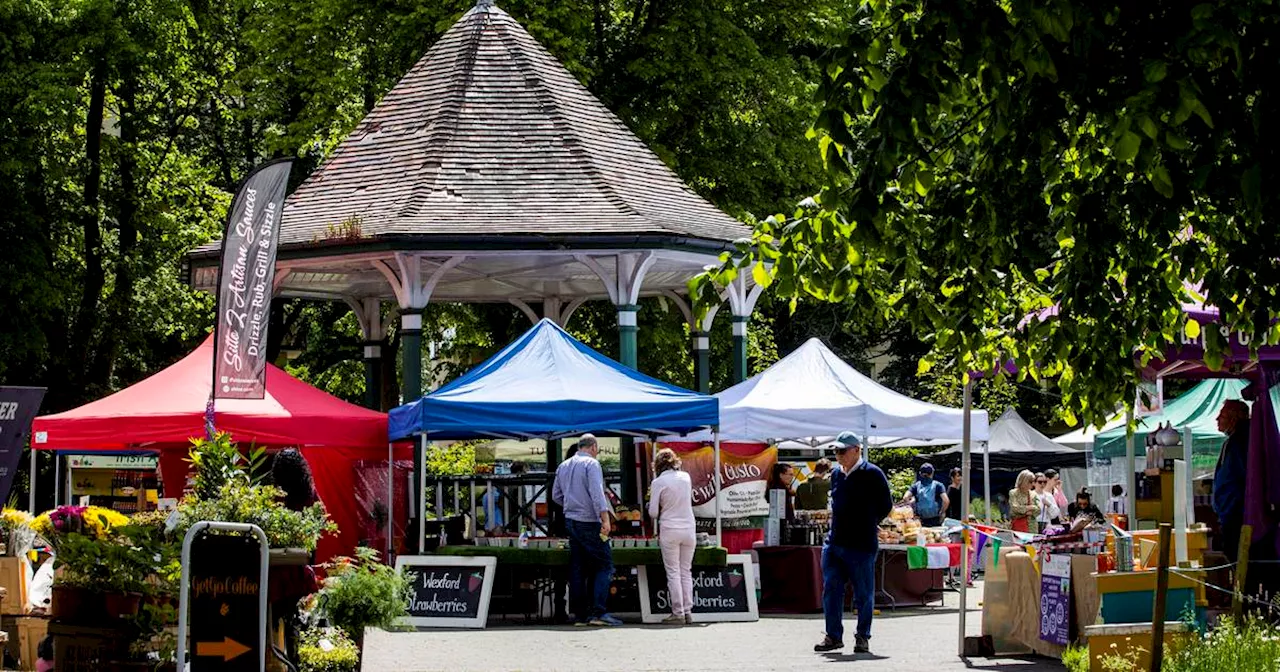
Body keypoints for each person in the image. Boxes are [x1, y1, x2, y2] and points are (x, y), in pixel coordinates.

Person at [814, 432, 892, 655]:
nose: (838, 455)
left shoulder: (873, 473)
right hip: (835, 540)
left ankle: (862, 636)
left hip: (861, 543)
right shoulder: (836, 474)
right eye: (836, 451)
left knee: (863, 593)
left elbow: (886, 504)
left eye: (842, 451)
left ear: (857, 450)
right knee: (831, 588)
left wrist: (869, 522)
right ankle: (833, 636)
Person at [551, 434, 621, 626]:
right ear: (593, 447)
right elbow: (597, 493)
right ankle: (598, 612)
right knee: (604, 564)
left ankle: (580, 615)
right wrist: (605, 519)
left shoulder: (563, 466)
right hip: (589, 521)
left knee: (578, 567)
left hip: (571, 520)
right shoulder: (592, 464)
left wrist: (571, 504)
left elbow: (556, 495)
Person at [269, 449, 321, 662]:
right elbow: (319, 523)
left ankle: (276, 660)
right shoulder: (309, 492)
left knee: (273, 620)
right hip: (299, 572)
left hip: (276, 570)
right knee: (297, 621)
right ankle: (295, 661)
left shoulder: (275, 495)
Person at [647, 448, 696, 625]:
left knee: (673, 572)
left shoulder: (658, 482)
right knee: (686, 571)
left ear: (658, 465)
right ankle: (688, 611)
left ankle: (678, 612)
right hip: (689, 528)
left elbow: (653, 513)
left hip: (669, 528)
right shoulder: (686, 478)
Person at [1214, 399, 1250, 561]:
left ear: (1233, 418)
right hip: (1231, 512)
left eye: (1221, 416)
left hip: (1235, 513)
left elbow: (1241, 477)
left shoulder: (1239, 442)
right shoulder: (1235, 441)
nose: (1217, 419)